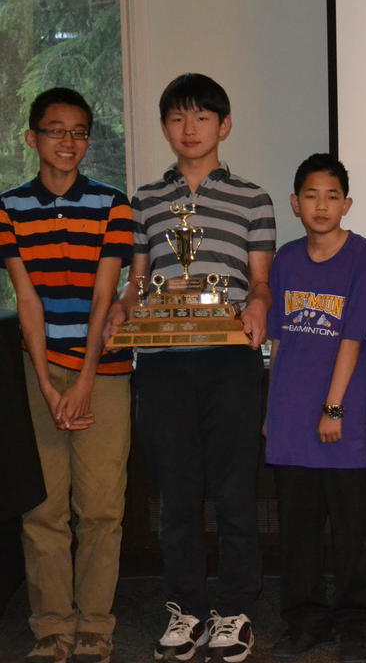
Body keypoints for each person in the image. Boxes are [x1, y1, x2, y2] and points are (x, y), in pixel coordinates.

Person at [106, 73, 275, 663]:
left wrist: (256, 303)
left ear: (223, 126)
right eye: (178, 118)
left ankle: (233, 610)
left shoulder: (254, 198)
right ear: (164, 128)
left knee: (233, 492)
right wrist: (123, 310)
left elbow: (260, 281)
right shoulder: (145, 200)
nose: (190, 128)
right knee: (176, 496)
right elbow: (137, 276)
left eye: (202, 118)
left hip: (229, 361)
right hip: (162, 363)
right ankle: (185, 609)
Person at [0, 88, 133, 663]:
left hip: (101, 372)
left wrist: (80, 380)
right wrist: (50, 383)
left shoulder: (112, 203)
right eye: (55, 130)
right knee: (44, 508)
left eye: (79, 132)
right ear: (32, 137)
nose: (68, 142)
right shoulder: (9, 207)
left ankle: (96, 626)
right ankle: (52, 625)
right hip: (39, 373)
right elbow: (25, 297)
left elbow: (106, 296)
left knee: (102, 506)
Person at [266, 154, 366, 663]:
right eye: (311, 195)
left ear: (347, 204)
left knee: (353, 527)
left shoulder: (364, 256)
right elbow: (278, 342)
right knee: (298, 530)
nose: (321, 204)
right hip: (291, 417)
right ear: (295, 203)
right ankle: (305, 619)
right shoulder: (285, 259)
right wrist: (272, 409)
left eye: (332, 195)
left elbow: (354, 338)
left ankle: (356, 621)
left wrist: (333, 408)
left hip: (342, 417)